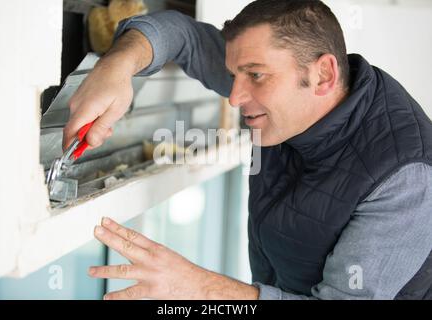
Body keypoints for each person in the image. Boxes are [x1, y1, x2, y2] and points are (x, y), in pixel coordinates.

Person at [65, 0, 432, 299]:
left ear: (323, 75)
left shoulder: (405, 179)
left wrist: (197, 288)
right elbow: (181, 35)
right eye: (235, 75)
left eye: (256, 76)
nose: (236, 97)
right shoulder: (290, 87)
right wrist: (117, 66)